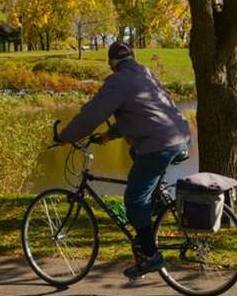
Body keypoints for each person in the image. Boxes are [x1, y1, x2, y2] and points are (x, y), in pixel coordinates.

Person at [56, 41, 192, 279]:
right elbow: (142, 115)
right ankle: (157, 205)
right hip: (179, 137)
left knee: (134, 199)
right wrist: (109, 135)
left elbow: (91, 115)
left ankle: (151, 256)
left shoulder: (118, 81)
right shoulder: (144, 75)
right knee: (137, 157)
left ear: (111, 64)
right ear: (132, 57)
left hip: (158, 145)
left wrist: (66, 136)